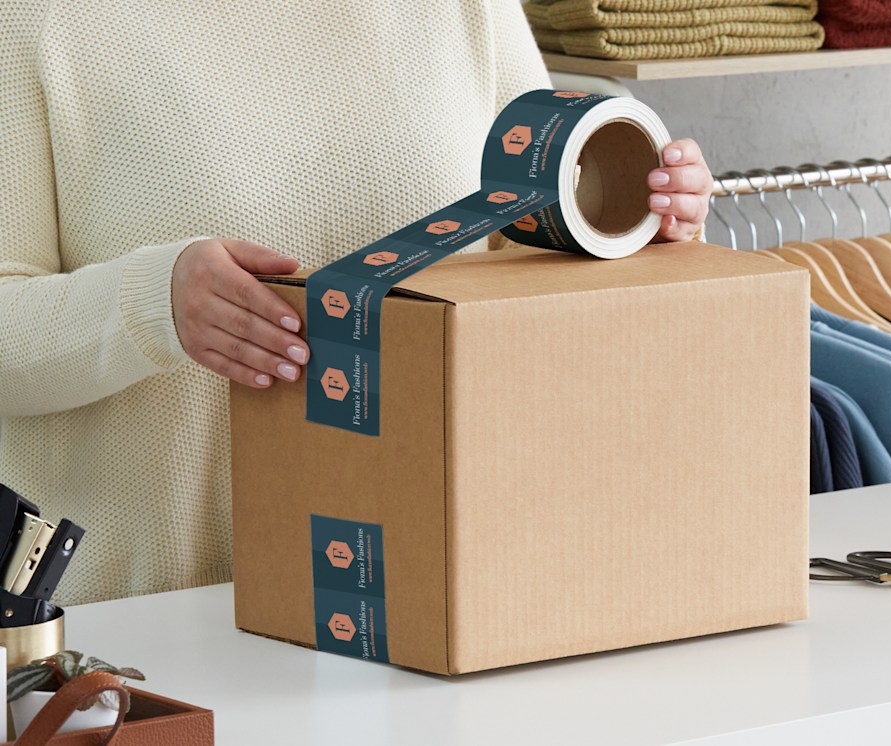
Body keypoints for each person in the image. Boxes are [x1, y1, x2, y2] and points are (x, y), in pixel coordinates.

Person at [0, 1, 712, 604]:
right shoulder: (35, 18)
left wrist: (644, 222)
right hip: (147, 634)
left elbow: (533, 248)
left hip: (434, 597)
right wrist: (152, 303)